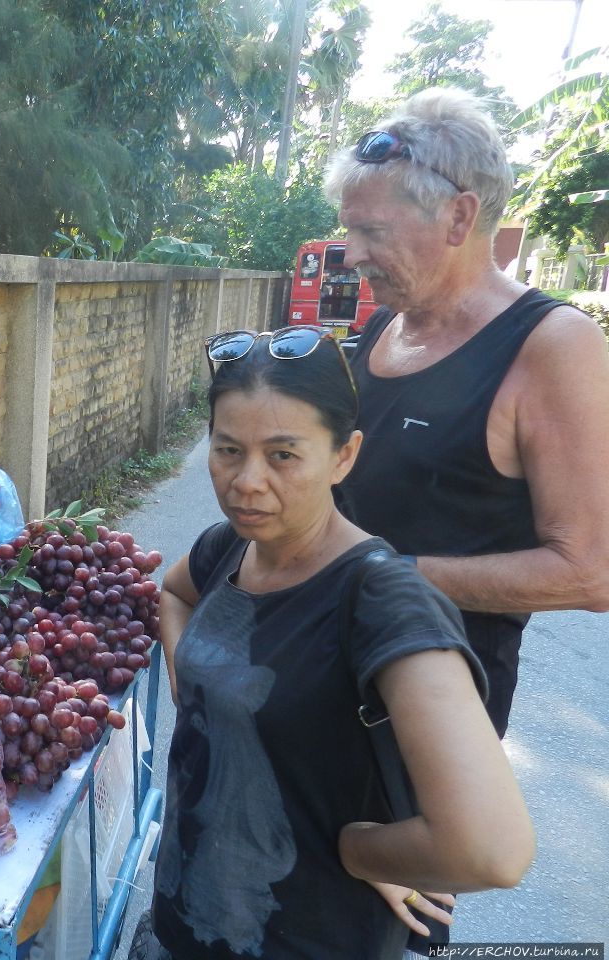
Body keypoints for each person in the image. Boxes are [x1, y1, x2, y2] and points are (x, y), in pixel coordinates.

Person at [134, 326, 532, 960]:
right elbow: (174, 593)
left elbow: (491, 847)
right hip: (183, 922)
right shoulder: (230, 548)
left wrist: (359, 847)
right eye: (228, 449)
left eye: (284, 454)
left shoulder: (381, 602)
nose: (247, 482)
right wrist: (190, 670)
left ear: (344, 455)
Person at [323, 88, 609, 738]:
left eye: (373, 231)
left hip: (433, 722)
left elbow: (591, 570)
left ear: (458, 218)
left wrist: (379, 579)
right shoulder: (383, 327)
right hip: (325, 675)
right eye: (350, 228)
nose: (352, 253)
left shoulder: (551, 345)